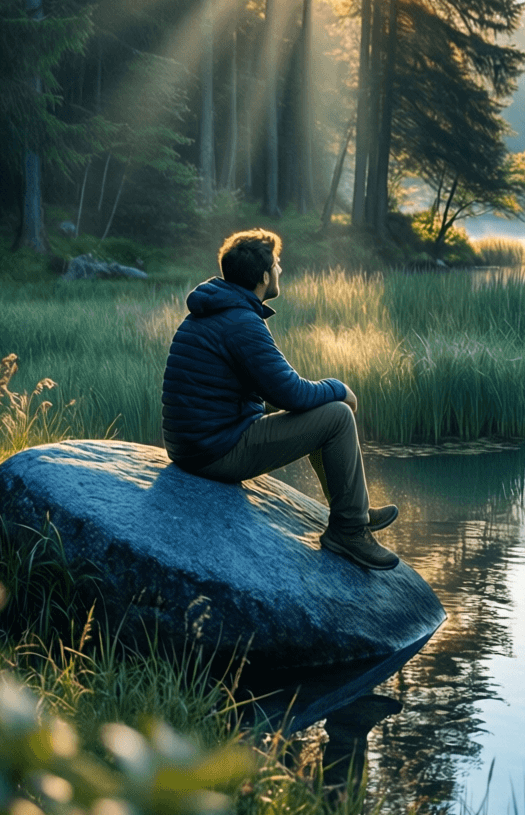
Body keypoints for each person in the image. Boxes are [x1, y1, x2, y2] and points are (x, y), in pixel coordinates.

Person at [161, 228, 399, 571]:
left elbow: (274, 392)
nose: (280, 270)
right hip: (214, 452)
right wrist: (341, 389)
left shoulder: (214, 310)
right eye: (277, 264)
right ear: (262, 277)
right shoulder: (241, 322)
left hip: (193, 446)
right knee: (336, 416)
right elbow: (292, 393)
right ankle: (349, 530)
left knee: (321, 412)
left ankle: (352, 509)